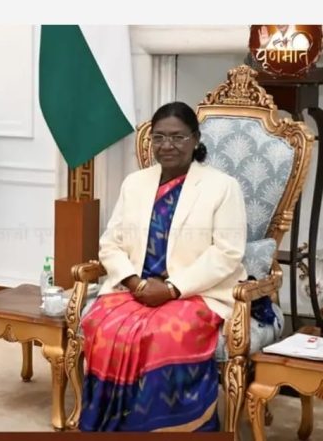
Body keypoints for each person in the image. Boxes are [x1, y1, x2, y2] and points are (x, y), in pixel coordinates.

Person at [79, 102, 247, 432]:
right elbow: (110, 243)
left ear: (195, 139)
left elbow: (227, 253)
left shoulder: (222, 187)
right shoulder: (135, 183)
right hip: (135, 289)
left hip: (196, 293)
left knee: (162, 334)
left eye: (177, 137)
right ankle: (111, 423)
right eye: (159, 137)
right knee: (102, 325)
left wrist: (171, 288)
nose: (167, 145)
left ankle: (164, 426)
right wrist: (135, 283)